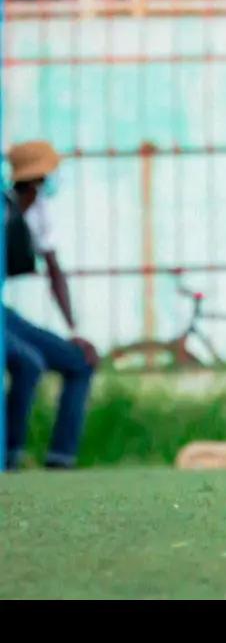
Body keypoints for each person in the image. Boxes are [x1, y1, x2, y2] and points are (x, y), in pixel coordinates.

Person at [3, 139, 97, 471]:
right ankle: (9, 455)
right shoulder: (4, 210)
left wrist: (75, 330)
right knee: (28, 362)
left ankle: (61, 459)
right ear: (37, 178)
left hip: (4, 316)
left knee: (81, 362)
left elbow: (54, 271)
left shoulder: (39, 212)